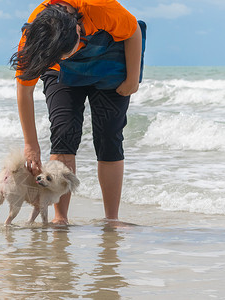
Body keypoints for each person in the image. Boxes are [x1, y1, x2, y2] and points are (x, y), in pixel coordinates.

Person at [10, 0, 144, 225]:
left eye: (66, 53)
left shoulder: (100, 8)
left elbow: (133, 31)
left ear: (77, 29)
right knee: (63, 132)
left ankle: (111, 218)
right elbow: (25, 90)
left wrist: (132, 79)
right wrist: (31, 145)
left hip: (110, 60)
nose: (66, 57)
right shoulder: (34, 37)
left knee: (109, 136)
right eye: (59, 55)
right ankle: (60, 218)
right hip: (61, 74)